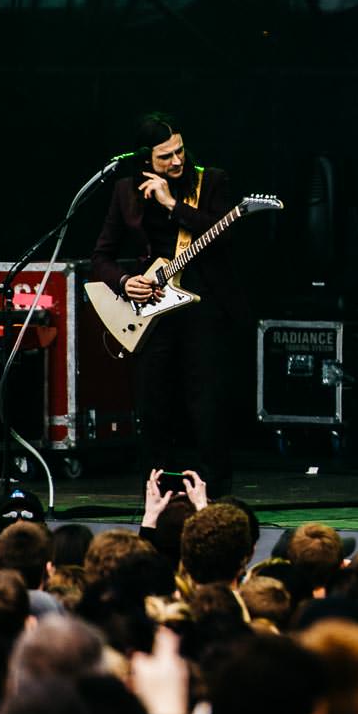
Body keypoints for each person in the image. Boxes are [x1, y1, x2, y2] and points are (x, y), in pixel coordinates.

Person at [90, 112, 241, 488]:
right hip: (152, 311)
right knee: (153, 404)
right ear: (145, 160)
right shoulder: (125, 190)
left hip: (203, 308)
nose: (177, 161)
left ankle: (214, 494)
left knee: (205, 405)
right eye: (165, 156)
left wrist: (173, 204)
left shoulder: (212, 181)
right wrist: (126, 282)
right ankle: (158, 494)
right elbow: (100, 257)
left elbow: (225, 237)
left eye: (180, 151)